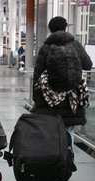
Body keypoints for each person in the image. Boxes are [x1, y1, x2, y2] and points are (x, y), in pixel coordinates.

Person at [32, 16, 93, 146]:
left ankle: (54, 158)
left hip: (50, 101)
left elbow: (37, 75)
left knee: (51, 134)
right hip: (72, 100)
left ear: (50, 30)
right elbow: (88, 64)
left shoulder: (46, 48)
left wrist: (36, 99)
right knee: (68, 132)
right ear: (65, 28)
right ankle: (68, 159)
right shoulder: (75, 45)